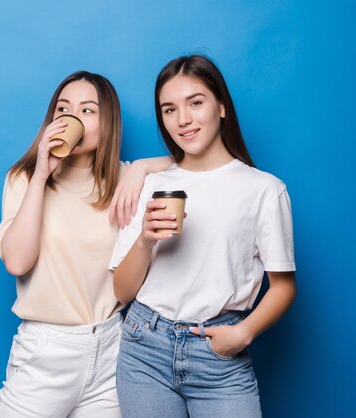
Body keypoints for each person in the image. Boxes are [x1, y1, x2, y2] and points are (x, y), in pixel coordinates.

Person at [111, 55, 297, 418]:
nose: (183, 120)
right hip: (143, 347)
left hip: (218, 351)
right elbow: (121, 292)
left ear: (222, 107)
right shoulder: (150, 185)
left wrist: (243, 334)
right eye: (169, 109)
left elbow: (284, 286)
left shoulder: (264, 190)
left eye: (196, 103)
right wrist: (145, 240)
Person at [0, 70, 172, 417]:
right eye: (64, 109)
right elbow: (17, 262)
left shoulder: (124, 179)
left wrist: (141, 169)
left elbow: (193, 163)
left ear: (108, 124)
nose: (72, 116)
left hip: (112, 348)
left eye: (88, 110)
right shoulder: (25, 178)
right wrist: (43, 173)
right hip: (46, 352)